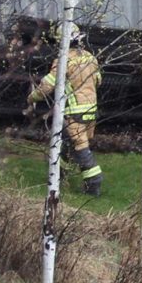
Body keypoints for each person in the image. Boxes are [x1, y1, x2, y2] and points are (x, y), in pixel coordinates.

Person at [27, 31, 103, 195]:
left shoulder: (63, 61)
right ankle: (59, 175)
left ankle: (94, 182)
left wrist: (32, 98)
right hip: (91, 110)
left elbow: (47, 86)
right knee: (66, 143)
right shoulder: (90, 57)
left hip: (73, 112)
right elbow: (98, 80)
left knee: (80, 147)